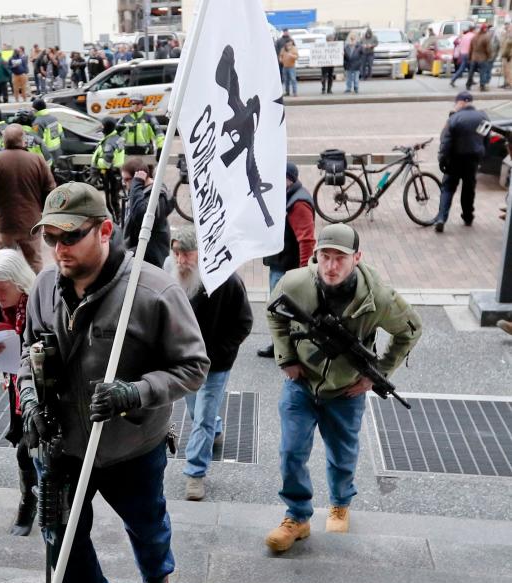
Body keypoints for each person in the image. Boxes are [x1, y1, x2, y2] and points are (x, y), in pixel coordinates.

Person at [17, 182, 208, 583]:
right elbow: (29, 353)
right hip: (63, 446)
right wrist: (30, 401)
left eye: (70, 236)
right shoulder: (44, 286)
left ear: (104, 230)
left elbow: (194, 366)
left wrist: (136, 392)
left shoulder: (154, 290)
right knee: (61, 535)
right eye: (50, 238)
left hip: (132, 448)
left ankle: (157, 577)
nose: (58, 248)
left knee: (147, 526)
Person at [265, 224, 422, 551]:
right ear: (316, 255)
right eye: (325, 256)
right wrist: (286, 357)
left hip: (346, 390)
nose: (331, 266)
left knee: (342, 455)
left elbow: (411, 330)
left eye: (341, 258)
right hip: (302, 384)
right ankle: (297, 516)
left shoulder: (377, 298)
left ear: (357, 258)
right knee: (291, 452)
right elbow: (275, 314)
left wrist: (376, 372)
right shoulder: (296, 283)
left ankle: (339, 502)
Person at [169, 226, 251, 501]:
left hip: (215, 363)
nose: (180, 260)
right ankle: (215, 428)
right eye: (177, 252)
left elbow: (244, 322)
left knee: (202, 417)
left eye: (186, 254)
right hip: (185, 361)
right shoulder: (171, 270)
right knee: (196, 411)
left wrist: (218, 351)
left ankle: (195, 472)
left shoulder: (226, 280)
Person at [0, 249, 39, 535]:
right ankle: (32, 498)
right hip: (14, 386)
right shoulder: (0, 305)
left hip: (37, 387)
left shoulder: (37, 305)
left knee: (27, 450)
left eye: (2, 290)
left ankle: (31, 502)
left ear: (19, 283)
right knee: (24, 448)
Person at [0, 123, 55, 273]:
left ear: (3, 141)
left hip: (4, 223)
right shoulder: (37, 160)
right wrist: (41, 211)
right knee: (35, 262)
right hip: (31, 222)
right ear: (23, 141)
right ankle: (35, 293)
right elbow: (50, 190)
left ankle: (11, 294)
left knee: (5, 264)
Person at [258, 162, 316, 359]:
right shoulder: (287, 196)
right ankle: (280, 345)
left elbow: (306, 240)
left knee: (281, 309)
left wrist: (303, 272)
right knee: (280, 308)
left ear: (288, 180)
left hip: (287, 268)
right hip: (281, 264)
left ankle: (284, 348)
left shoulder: (298, 203)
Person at [433, 91, 488, 233]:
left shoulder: (454, 118)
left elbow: (445, 141)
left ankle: (441, 218)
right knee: (468, 189)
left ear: (461, 102)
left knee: (448, 189)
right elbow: (485, 139)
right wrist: (481, 155)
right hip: (472, 160)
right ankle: (468, 216)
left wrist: (442, 159)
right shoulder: (482, 116)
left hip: (454, 160)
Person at [119, 157, 171, 268]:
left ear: (140, 177)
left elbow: (141, 216)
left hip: (151, 259)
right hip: (138, 254)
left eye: (127, 179)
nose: (124, 184)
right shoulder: (139, 192)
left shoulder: (158, 194)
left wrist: (136, 184)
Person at [91, 117, 125, 216]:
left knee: (111, 201)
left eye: (103, 126)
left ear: (107, 127)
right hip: (115, 173)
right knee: (114, 199)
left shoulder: (109, 142)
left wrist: (97, 161)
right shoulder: (116, 138)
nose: (101, 128)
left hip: (110, 174)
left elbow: (106, 162)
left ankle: (116, 221)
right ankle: (118, 219)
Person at [30, 97, 63, 166]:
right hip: (57, 150)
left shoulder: (37, 123)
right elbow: (61, 134)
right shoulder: (54, 118)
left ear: (35, 109)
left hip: (47, 153)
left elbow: (36, 140)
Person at [467, 23, 495, 91]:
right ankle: (482, 86)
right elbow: (488, 49)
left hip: (474, 57)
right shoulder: (486, 37)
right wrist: (489, 56)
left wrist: (469, 57)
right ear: (485, 29)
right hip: (482, 58)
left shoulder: (474, 37)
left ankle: (468, 84)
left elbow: (470, 49)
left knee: (471, 72)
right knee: (483, 72)